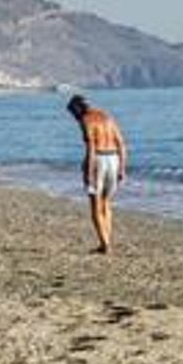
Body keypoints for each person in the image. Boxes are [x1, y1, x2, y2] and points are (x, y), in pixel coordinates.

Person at [67, 94, 128, 254]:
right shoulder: (107, 118)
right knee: (106, 202)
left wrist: (88, 170)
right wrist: (122, 167)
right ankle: (106, 240)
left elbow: (91, 148)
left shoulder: (86, 120)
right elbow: (121, 143)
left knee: (95, 203)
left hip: (99, 159)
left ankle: (105, 245)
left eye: (73, 114)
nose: (74, 118)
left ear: (78, 109)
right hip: (113, 158)